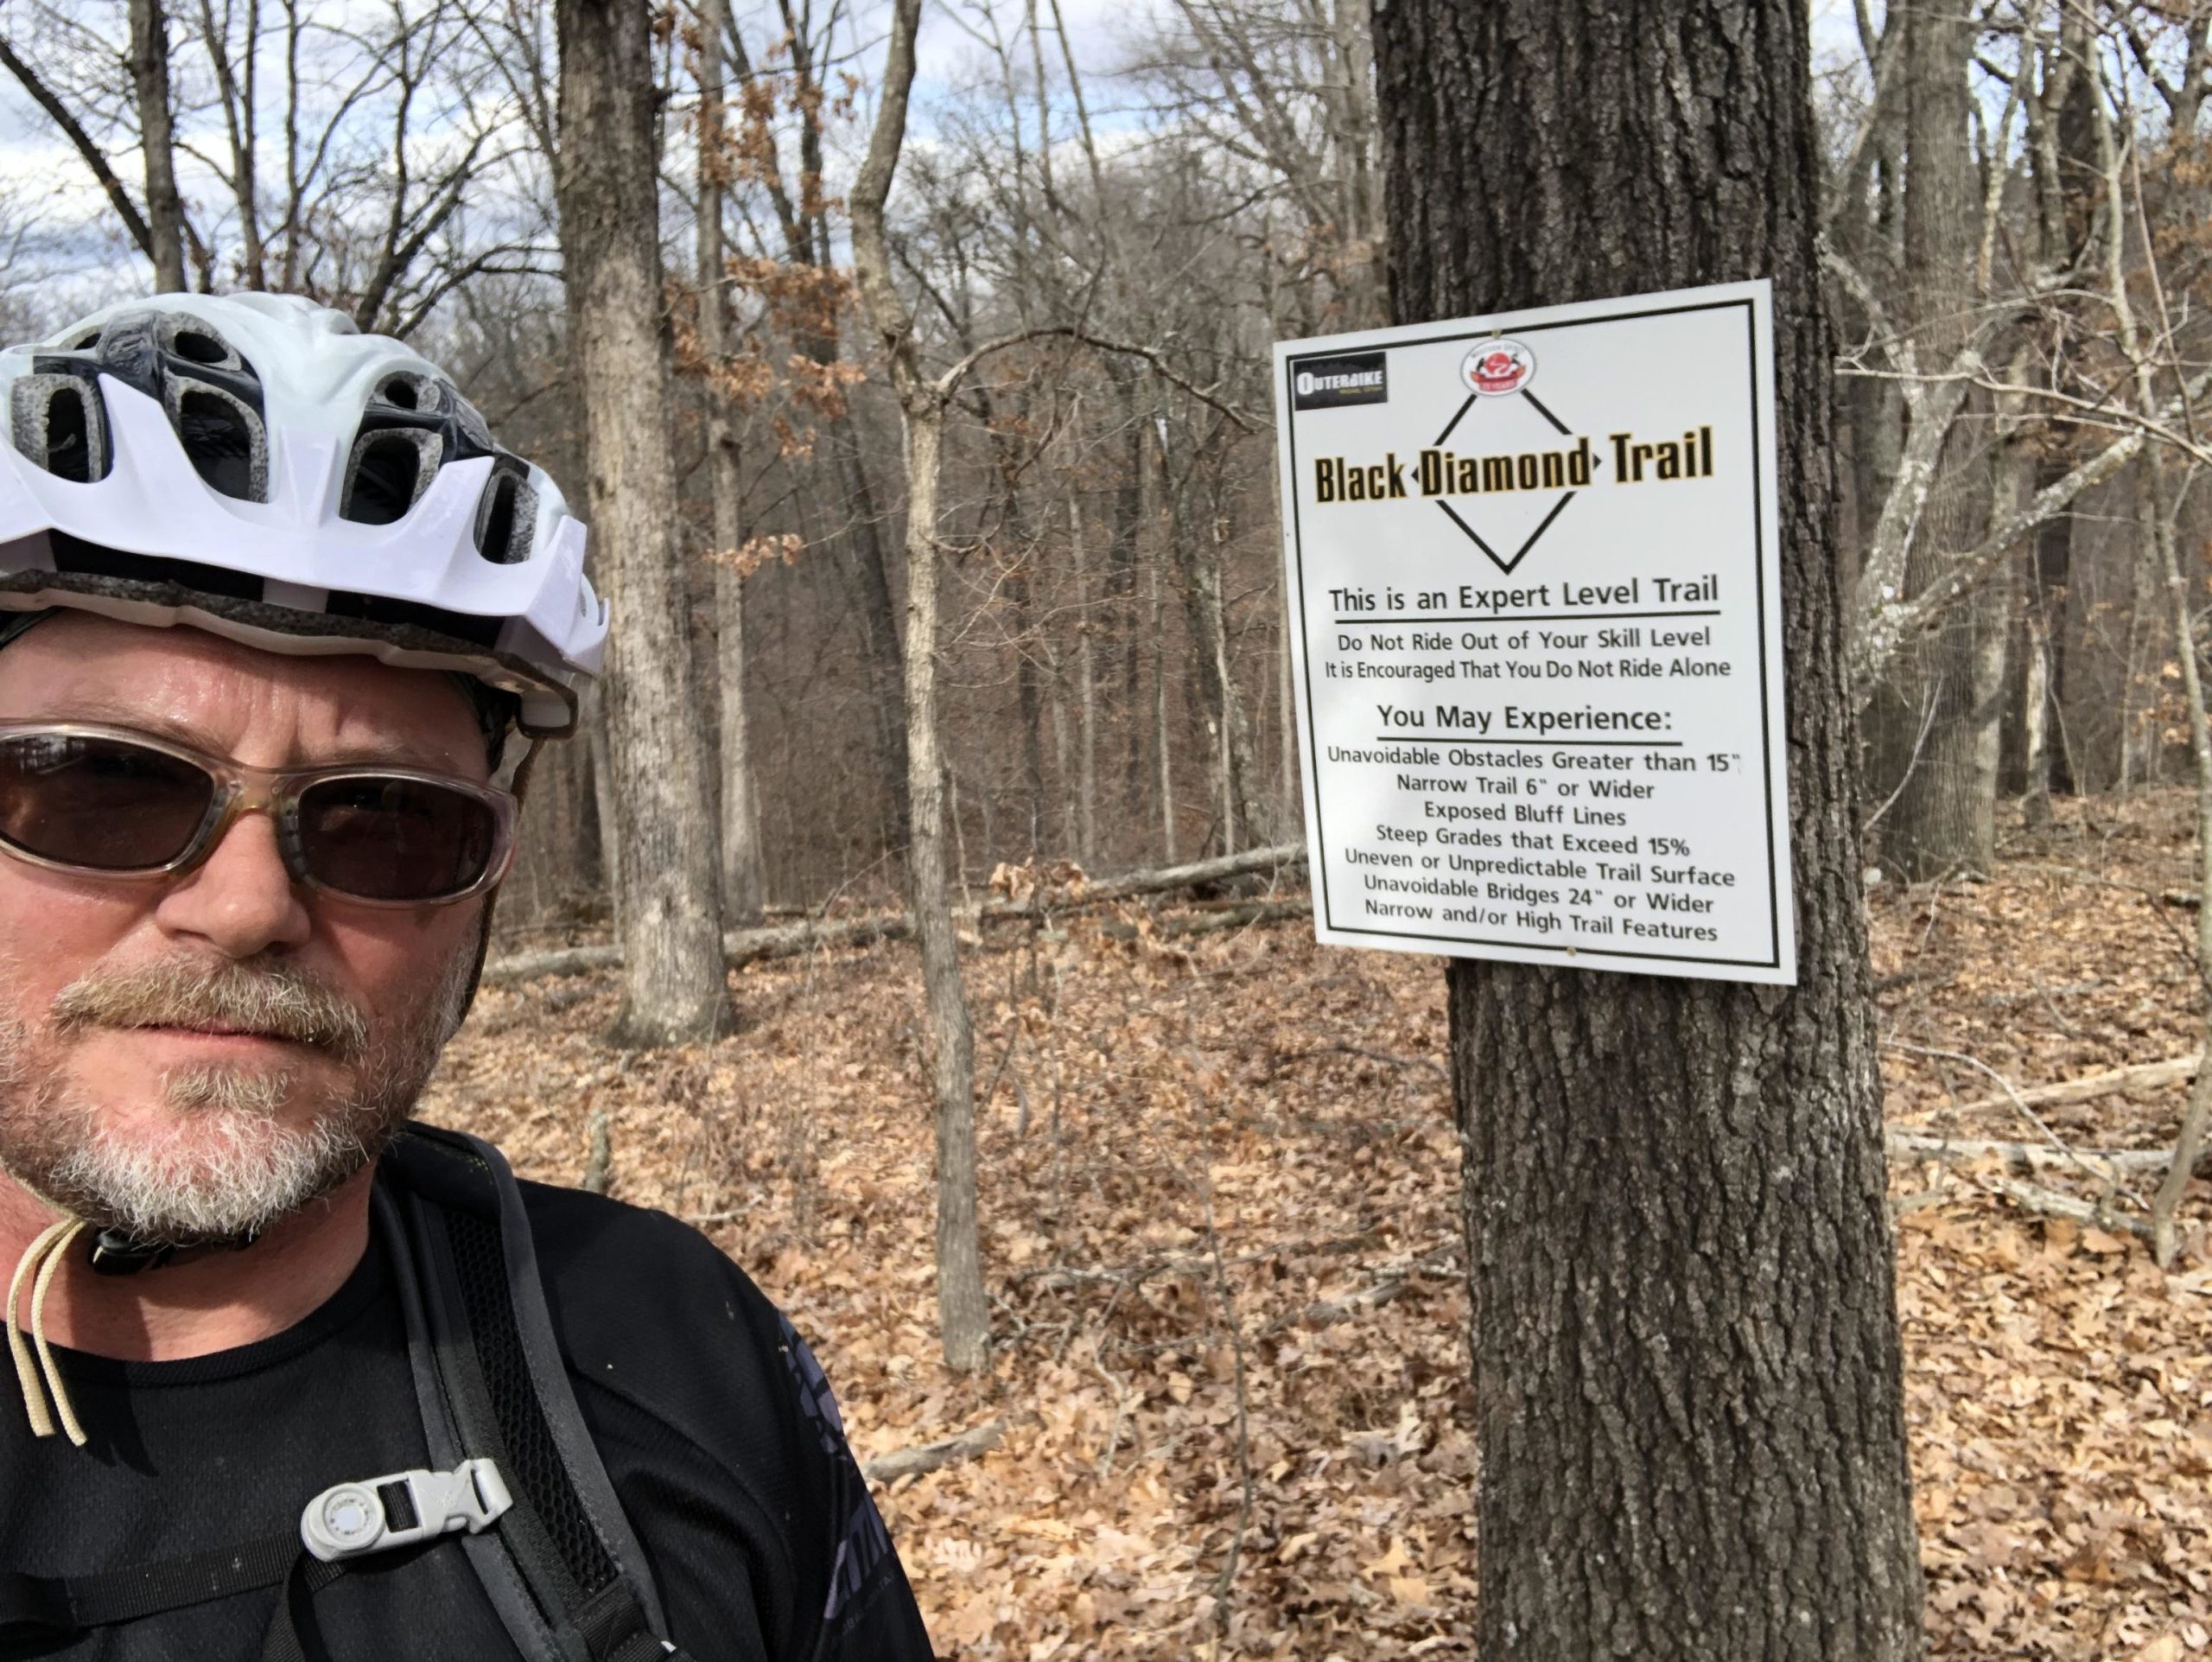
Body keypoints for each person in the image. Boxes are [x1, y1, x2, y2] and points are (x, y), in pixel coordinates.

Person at [0, 294, 936, 1659]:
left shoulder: (674, 1352)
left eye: (383, 819)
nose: (248, 908)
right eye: (104, 787)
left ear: (484, 880)